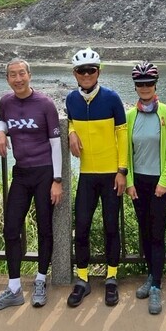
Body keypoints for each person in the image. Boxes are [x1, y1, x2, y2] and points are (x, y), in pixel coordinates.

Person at [0, 58, 62, 311]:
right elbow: (2, 119)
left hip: (44, 173)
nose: (18, 79)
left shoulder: (45, 104)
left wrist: (57, 180)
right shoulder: (6, 101)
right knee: (11, 229)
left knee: (44, 228)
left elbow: (55, 145)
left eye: (22, 74)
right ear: (7, 79)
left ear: (30, 75)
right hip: (20, 173)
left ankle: (41, 280)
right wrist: (0, 131)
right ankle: (15, 287)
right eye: (12, 75)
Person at [65, 48, 128, 308]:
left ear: (99, 72)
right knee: (82, 225)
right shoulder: (71, 100)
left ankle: (111, 277)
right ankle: (82, 278)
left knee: (111, 226)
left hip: (111, 173)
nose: (87, 74)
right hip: (87, 175)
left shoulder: (112, 98)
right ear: (75, 74)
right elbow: (69, 121)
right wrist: (70, 132)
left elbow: (122, 134)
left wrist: (122, 170)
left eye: (91, 70)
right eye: (82, 71)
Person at [125, 62, 166, 315]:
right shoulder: (130, 116)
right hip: (139, 185)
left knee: (157, 233)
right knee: (145, 232)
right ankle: (150, 275)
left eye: (148, 83)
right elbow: (127, 151)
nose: (144, 88)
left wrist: (164, 181)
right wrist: (130, 182)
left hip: (161, 184)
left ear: (155, 85)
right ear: (135, 87)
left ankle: (156, 286)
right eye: (140, 84)